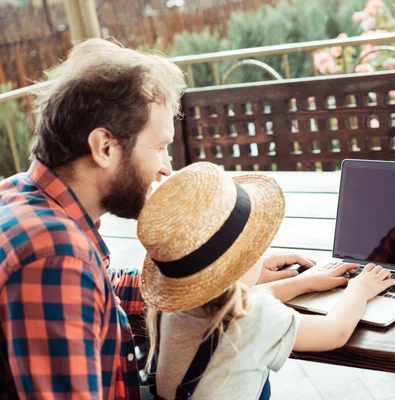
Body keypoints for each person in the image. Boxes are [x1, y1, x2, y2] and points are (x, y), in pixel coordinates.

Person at [0, 39, 314, 399]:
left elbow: (98, 287)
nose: (166, 167)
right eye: (160, 146)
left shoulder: (22, 194)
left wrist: (208, 277)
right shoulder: (57, 259)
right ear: (105, 147)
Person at [138, 162, 395, 400]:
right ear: (242, 260)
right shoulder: (256, 319)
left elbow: (241, 302)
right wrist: (359, 289)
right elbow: (335, 331)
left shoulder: (174, 309)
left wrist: (305, 283)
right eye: (258, 246)